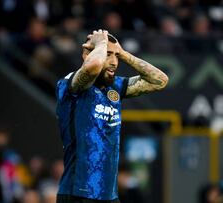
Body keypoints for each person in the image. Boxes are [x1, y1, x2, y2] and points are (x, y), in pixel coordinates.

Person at [55, 29, 168, 203]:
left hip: (109, 194)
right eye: (108, 55)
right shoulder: (71, 84)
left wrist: (122, 53)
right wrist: (100, 43)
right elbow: (92, 68)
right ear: (86, 54)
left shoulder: (114, 87)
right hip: (78, 192)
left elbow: (159, 80)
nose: (114, 62)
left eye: (116, 56)